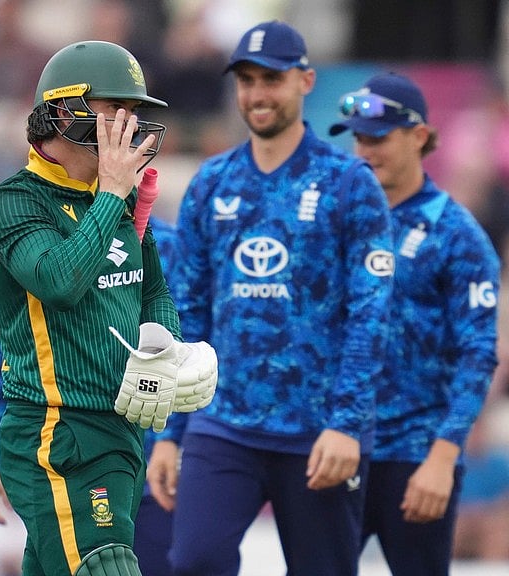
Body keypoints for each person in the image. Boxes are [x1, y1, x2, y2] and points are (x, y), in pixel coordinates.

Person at [146, 20, 395, 576]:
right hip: (223, 423)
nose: (258, 94)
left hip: (317, 432)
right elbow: (186, 312)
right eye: (247, 81)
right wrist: (168, 433)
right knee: (194, 561)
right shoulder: (212, 183)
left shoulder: (349, 183)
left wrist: (346, 424)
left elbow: (370, 314)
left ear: (305, 81)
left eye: (272, 79)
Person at [0, 39, 216, 576]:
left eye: (135, 113)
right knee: (106, 565)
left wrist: (164, 349)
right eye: (116, 110)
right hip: (55, 432)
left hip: (121, 432)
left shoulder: (122, 198)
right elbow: (59, 282)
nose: (131, 127)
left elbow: (152, 291)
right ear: (65, 112)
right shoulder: (15, 201)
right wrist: (110, 193)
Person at [328, 72, 500, 575]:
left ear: (419, 136)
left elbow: (478, 354)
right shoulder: (337, 222)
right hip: (338, 447)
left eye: (378, 138)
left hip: (416, 457)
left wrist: (444, 458)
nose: (365, 151)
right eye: (359, 139)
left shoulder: (456, 233)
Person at [0, 217, 180, 576]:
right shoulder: (48, 237)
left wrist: (172, 439)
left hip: (148, 461)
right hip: (68, 451)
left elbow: (184, 342)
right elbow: (13, 348)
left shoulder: (164, 243)